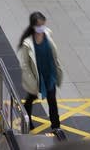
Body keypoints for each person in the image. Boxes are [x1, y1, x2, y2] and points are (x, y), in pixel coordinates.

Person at [17, 12, 65, 140]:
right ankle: (27, 119)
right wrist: (31, 79)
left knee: (52, 100)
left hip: (49, 73)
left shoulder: (48, 33)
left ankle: (56, 126)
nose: (42, 28)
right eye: (39, 26)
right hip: (37, 76)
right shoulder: (28, 43)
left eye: (43, 25)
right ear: (33, 26)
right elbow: (25, 64)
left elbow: (53, 54)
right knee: (31, 98)